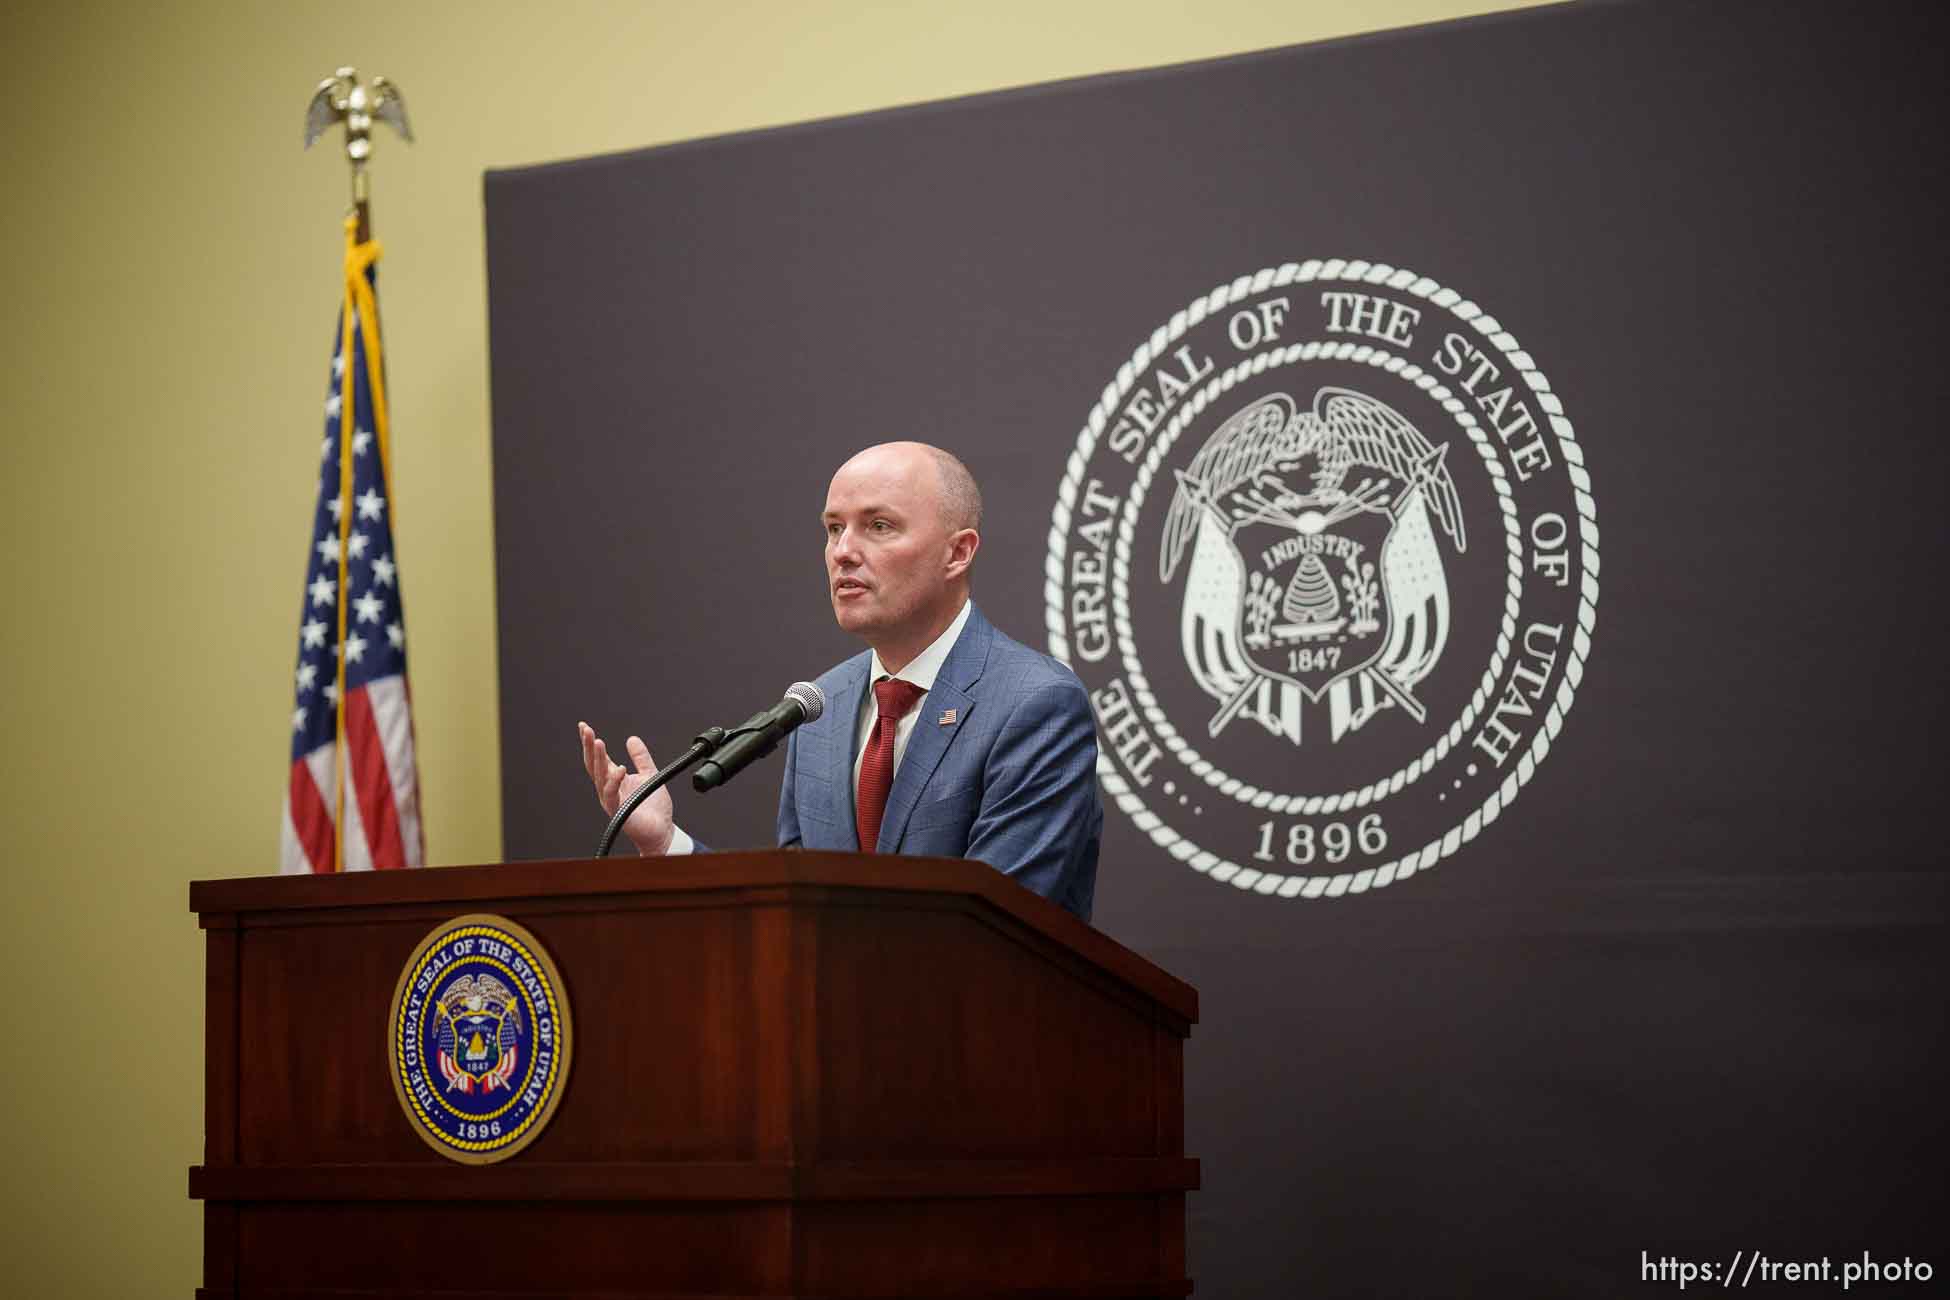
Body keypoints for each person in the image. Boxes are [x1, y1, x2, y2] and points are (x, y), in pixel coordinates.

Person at [576, 441, 1101, 920]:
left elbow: (996, 926)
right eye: (833, 528)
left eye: (878, 526)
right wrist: (667, 844)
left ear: (958, 553)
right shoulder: (818, 709)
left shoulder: (1034, 704)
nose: (842, 552)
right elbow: (793, 917)